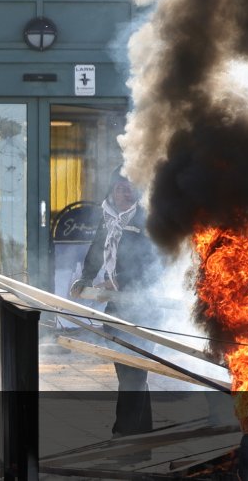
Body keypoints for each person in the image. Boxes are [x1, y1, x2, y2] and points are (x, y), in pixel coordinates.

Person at [70, 169, 160, 436]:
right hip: (118, 305)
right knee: (129, 371)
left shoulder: (146, 218)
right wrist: (85, 278)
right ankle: (141, 434)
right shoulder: (108, 217)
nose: (126, 191)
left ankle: (124, 432)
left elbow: (152, 261)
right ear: (112, 191)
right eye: (121, 187)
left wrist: (118, 281)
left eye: (130, 186)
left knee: (134, 370)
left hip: (144, 305)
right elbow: (97, 250)